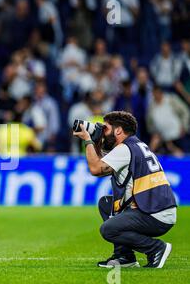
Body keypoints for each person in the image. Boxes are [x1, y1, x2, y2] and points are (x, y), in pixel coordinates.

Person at [73, 111, 177, 268]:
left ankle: (156, 249)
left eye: (106, 128)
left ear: (118, 130)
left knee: (108, 230)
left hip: (155, 213)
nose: (102, 131)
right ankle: (125, 256)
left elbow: (95, 168)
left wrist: (87, 140)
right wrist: (97, 141)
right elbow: (102, 162)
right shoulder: (135, 145)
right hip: (158, 208)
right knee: (106, 204)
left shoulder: (124, 149)